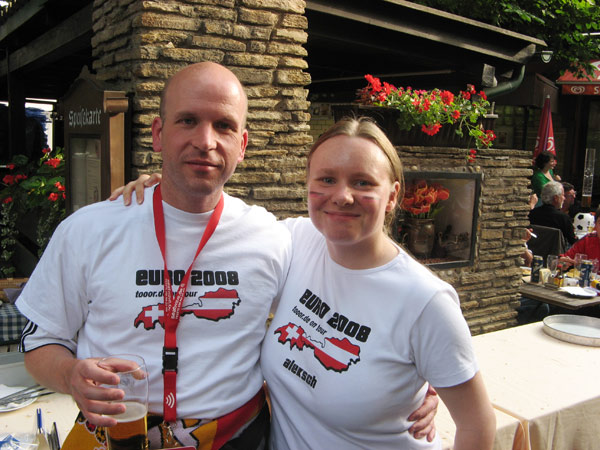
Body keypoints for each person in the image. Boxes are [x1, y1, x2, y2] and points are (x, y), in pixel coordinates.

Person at [16, 63, 437, 449]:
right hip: (116, 434)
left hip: (234, 437)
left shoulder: (275, 237)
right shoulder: (89, 230)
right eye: (188, 121)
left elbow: (365, 276)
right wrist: (70, 375)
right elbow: (40, 341)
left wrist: (416, 374)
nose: (205, 141)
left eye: (223, 125)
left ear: (242, 144)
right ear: (159, 133)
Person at [119, 117, 496, 449]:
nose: (342, 196)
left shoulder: (425, 302)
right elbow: (217, 234)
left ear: (393, 195)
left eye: (363, 182)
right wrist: (167, 190)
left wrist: (429, 382)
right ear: (308, 184)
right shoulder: (295, 241)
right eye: (327, 179)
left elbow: (477, 425)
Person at [528, 181, 576, 246]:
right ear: (556, 198)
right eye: (562, 195)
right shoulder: (563, 218)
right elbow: (573, 241)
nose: (564, 198)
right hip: (556, 251)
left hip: (535, 250)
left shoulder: (532, 214)